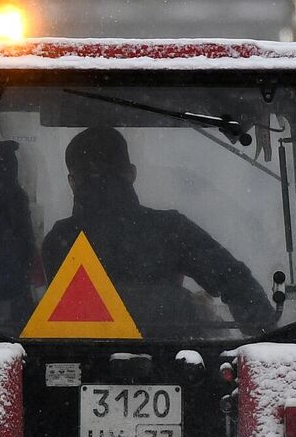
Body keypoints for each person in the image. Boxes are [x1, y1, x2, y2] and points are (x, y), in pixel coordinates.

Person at [41, 126, 274, 335]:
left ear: (72, 182)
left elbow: (75, 314)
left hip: (78, 366)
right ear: (131, 174)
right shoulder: (171, 229)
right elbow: (233, 279)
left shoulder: (59, 240)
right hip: (177, 363)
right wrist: (265, 335)